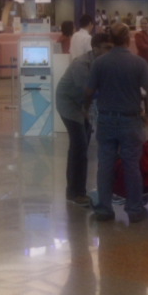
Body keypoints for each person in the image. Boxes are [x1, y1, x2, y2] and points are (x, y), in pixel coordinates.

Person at [83, 23, 148, 223]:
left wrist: (85, 109)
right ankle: (134, 209)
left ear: (111, 40)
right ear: (128, 39)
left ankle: (104, 209)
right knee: (132, 165)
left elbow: (88, 91)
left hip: (106, 119)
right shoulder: (139, 63)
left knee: (105, 164)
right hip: (130, 120)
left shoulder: (100, 63)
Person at [56, 31, 110, 205]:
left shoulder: (101, 62)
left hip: (82, 105)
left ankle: (74, 189)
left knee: (81, 146)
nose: (109, 51)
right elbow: (87, 90)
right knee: (79, 146)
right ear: (95, 48)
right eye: (106, 48)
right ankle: (75, 192)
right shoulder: (81, 64)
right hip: (69, 104)